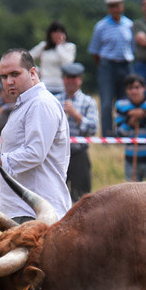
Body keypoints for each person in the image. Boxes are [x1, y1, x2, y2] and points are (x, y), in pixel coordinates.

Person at [0, 48, 71, 222]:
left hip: (36, 213)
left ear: (32, 72)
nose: (9, 81)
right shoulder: (25, 103)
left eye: (15, 74)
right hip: (22, 211)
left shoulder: (41, 104)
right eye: (4, 76)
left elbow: (34, 154)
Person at [88, 0, 134, 137]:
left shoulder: (130, 25)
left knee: (125, 101)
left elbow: (133, 47)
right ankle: (107, 134)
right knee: (107, 102)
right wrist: (102, 66)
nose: (115, 9)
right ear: (108, 9)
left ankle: (123, 132)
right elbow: (94, 51)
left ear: (122, 7)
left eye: (117, 6)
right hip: (108, 66)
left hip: (126, 65)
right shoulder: (101, 26)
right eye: (112, 7)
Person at [55, 61, 97, 201]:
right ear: (63, 79)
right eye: (68, 77)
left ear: (80, 79)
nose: (71, 81)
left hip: (79, 155)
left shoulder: (88, 102)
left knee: (82, 198)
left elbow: (93, 129)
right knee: (57, 197)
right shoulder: (53, 100)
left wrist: (76, 115)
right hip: (57, 155)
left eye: (74, 78)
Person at [115, 73, 146, 181]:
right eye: (130, 88)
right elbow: (119, 134)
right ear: (126, 90)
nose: (134, 91)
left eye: (137, 87)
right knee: (132, 197)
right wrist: (129, 121)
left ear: (144, 88)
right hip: (131, 160)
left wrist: (145, 118)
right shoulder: (121, 105)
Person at [29, 21, 76, 95]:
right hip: (46, 83)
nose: (58, 35)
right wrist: (36, 70)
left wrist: (59, 46)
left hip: (62, 85)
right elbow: (27, 58)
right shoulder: (43, 46)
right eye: (55, 32)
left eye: (60, 32)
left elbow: (68, 63)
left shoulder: (69, 47)